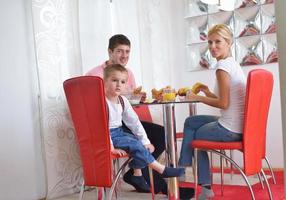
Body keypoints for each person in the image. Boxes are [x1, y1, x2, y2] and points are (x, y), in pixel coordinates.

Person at [87, 34, 195, 199]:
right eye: (119, 51)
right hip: (105, 124)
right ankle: (164, 187)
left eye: (127, 52)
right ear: (109, 52)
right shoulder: (94, 74)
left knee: (162, 134)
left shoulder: (128, 73)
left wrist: (138, 98)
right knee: (136, 143)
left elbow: (129, 105)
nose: (124, 56)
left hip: (122, 119)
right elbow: (88, 106)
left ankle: (136, 172)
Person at [178, 24, 246, 200]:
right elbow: (225, 100)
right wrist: (208, 93)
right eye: (210, 42)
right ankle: (183, 167)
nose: (213, 46)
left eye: (218, 42)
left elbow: (223, 103)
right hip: (238, 126)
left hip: (229, 129)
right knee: (191, 122)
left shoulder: (222, 67)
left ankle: (202, 186)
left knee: (196, 137)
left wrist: (198, 97)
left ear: (229, 42)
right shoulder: (233, 65)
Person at [103, 64, 185, 192]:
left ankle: (137, 175)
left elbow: (134, 122)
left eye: (122, 81)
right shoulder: (103, 102)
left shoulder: (123, 100)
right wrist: (110, 147)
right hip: (107, 135)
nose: (119, 84)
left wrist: (145, 141)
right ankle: (161, 169)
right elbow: (101, 127)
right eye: (114, 80)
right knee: (134, 144)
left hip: (119, 132)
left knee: (139, 142)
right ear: (105, 81)